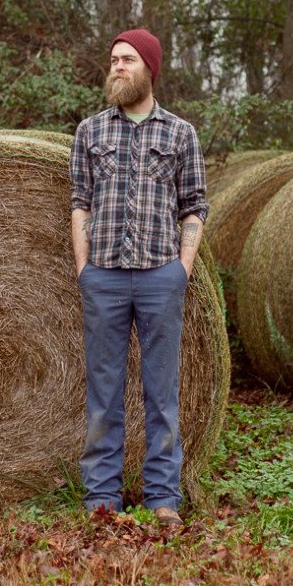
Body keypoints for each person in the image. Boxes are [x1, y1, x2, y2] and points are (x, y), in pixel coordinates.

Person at [69, 28, 208, 526]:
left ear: (150, 68)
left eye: (127, 60)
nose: (117, 67)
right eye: (113, 60)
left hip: (158, 277)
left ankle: (162, 498)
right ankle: (101, 499)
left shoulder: (179, 134)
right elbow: (80, 202)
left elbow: (194, 207)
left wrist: (181, 270)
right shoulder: (90, 132)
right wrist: (84, 268)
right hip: (103, 276)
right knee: (104, 392)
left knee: (161, 392)